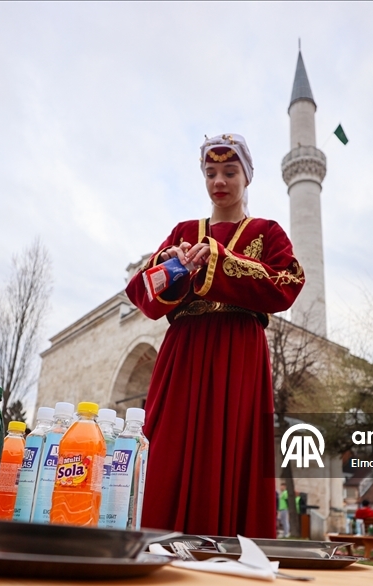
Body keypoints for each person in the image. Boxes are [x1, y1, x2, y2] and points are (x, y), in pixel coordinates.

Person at [125, 134, 305, 537]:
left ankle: (228, 552)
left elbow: (289, 282)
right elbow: (142, 294)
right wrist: (166, 264)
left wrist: (220, 261)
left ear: (247, 176)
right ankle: (159, 543)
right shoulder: (184, 231)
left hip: (238, 353)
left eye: (229, 171)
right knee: (169, 445)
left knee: (233, 446)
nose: (219, 181)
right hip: (184, 351)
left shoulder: (268, 232)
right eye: (210, 173)